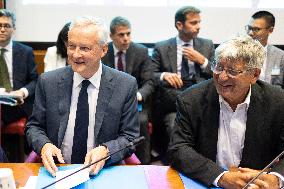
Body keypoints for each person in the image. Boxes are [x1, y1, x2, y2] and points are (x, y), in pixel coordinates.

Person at [25, 16, 139, 176]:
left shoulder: (125, 85)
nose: (76, 55)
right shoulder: (48, 81)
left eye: (85, 48)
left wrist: (106, 150)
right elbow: (34, 127)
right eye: (72, 46)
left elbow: (130, 137)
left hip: (103, 170)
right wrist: (44, 145)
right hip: (58, 171)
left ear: (104, 50)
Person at [168, 34, 284, 189]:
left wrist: (276, 179)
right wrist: (220, 176)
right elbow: (178, 148)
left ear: (254, 75)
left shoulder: (278, 102)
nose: (221, 77)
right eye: (219, 67)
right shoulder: (191, 99)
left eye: (232, 71)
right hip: (208, 184)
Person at [151, 6, 215, 157]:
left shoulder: (207, 45)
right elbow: (150, 74)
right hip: (174, 97)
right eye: (193, 23)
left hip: (199, 95)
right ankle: (176, 161)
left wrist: (203, 61)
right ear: (179, 25)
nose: (198, 26)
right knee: (174, 125)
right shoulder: (162, 47)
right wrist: (164, 75)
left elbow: (219, 74)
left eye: (199, 22)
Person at [102, 16, 154, 164]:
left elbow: (149, 82)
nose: (126, 38)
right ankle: (109, 159)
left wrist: (138, 95)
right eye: (121, 35)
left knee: (141, 121)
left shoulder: (141, 51)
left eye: (128, 34)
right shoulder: (103, 52)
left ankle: (143, 164)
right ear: (111, 36)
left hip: (135, 101)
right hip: (109, 102)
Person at [0, 9, 38, 124]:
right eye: (0, 25)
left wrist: (22, 92)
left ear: (14, 29)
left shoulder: (25, 51)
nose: (2, 29)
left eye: (6, 26)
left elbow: (35, 80)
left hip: (17, 102)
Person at [246, 11, 284, 88]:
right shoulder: (239, 52)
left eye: (256, 29)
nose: (250, 33)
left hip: (271, 96)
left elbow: (279, 85)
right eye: (249, 28)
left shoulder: (280, 55)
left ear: (270, 30)